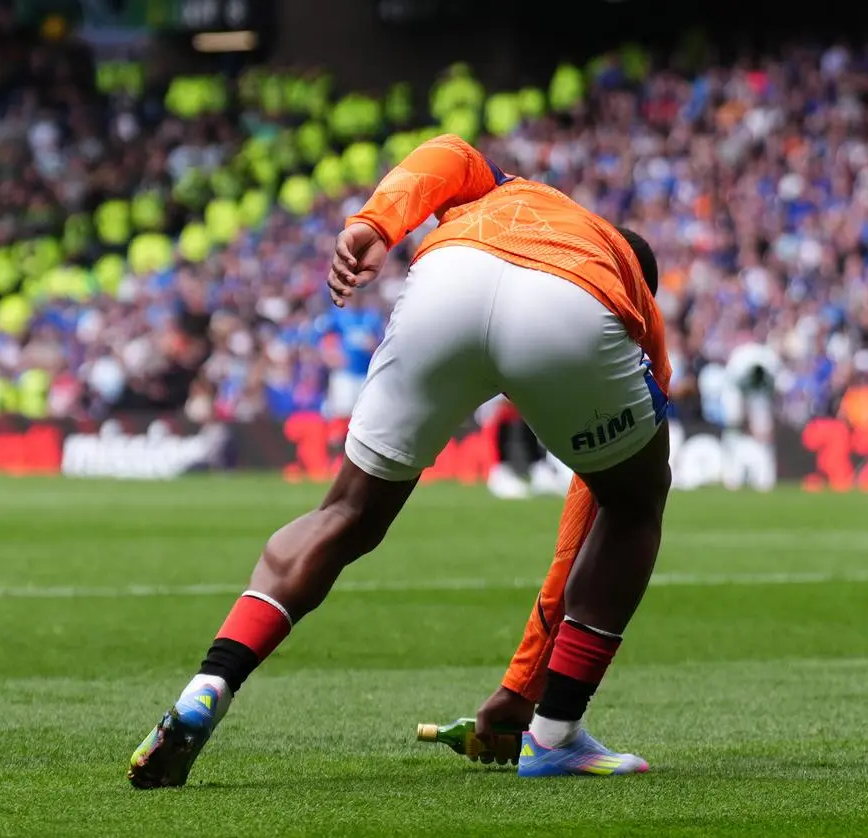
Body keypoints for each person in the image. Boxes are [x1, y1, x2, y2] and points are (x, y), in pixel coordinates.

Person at [128, 134, 672, 786]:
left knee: (346, 513)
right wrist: (530, 690)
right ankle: (558, 737)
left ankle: (208, 683)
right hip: (572, 303)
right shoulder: (632, 295)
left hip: (450, 273)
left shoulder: (517, 189)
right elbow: (593, 514)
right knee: (634, 503)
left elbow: (447, 152)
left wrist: (374, 222)